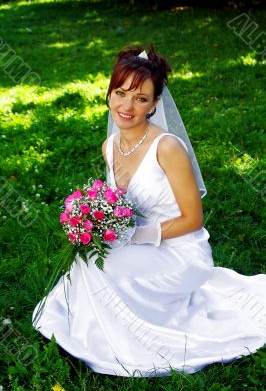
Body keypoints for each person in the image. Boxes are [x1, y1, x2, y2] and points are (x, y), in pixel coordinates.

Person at [32, 44, 266, 378]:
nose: (127, 106)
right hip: (136, 242)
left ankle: (126, 344)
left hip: (180, 252)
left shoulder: (167, 148)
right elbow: (117, 205)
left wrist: (141, 235)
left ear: (155, 104)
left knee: (103, 267)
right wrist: (94, 222)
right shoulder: (110, 146)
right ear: (110, 93)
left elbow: (193, 218)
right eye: (120, 92)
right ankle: (92, 335)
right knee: (87, 257)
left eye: (140, 98)